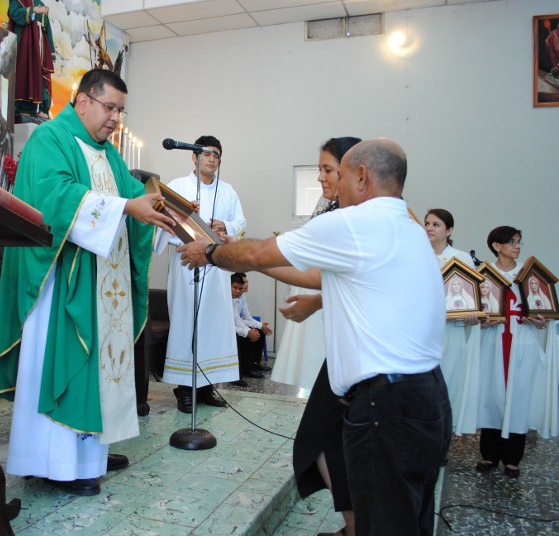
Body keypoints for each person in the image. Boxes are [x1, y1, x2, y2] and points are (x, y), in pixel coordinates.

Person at [178, 138, 452, 536]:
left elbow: (256, 255)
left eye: (335, 173)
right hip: (426, 396)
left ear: (361, 176)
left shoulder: (354, 222)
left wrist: (209, 253)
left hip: (387, 405)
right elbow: (321, 275)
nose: (329, 182)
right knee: (409, 520)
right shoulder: (409, 229)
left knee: (385, 523)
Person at [0, 69, 175, 496]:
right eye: (110, 108)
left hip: (100, 284)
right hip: (60, 284)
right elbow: (55, 196)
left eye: (120, 112)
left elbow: (135, 201)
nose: (115, 119)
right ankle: (54, 463)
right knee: (65, 365)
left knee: (100, 370)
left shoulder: (108, 154)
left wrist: (171, 216)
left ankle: (89, 454)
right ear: (84, 101)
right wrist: (126, 207)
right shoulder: (50, 139)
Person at [272, 136, 360, 536]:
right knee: (325, 437)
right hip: (346, 342)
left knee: (323, 436)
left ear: (354, 172)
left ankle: (356, 526)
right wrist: (319, 300)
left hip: (359, 349)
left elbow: (314, 272)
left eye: (328, 169)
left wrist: (232, 254)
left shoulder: (355, 219)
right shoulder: (338, 211)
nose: (321, 177)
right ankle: (354, 524)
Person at [156, 135, 245, 413]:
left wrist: (225, 226)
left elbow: (241, 223)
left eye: (216, 155)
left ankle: (207, 387)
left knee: (214, 325)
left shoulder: (228, 191)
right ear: (194, 156)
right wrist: (185, 221)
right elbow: (162, 221)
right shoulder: (177, 187)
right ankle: (184, 389)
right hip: (187, 264)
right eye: (206, 153)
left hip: (216, 267)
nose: (212, 159)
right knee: (187, 323)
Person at [475, 227, 553, 478]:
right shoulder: (482, 274)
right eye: (511, 242)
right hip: (493, 341)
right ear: (496, 246)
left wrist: (540, 321)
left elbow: (543, 310)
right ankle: (489, 455)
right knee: (492, 397)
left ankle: (513, 459)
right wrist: (480, 321)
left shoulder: (528, 274)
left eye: (519, 242)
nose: (517, 246)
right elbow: (474, 308)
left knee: (519, 397)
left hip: (522, 341)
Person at [426, 208, 481, 436]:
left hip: (454, 329)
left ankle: (446, 433)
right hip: (425, 328)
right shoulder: (418, 254)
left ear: (449, 231)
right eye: (427, 223)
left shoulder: (462, 258)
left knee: (450, 380)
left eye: (436, 224)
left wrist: (472, 313)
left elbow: (472, 296)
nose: (429, 228)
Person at [9, 0, 55, 119]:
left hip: (40, 47)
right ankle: (22, 108)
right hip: (25, 44)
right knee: (25, 74)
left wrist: (51, 52)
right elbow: (13, 13)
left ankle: (39, 108)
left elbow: (47, 30)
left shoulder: (40, 3)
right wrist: (33, 10)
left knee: (40, 77)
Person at [230, 273, 268, 387]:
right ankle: (235, 373)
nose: (245, 285)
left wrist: (252, 330)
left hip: (234, 326)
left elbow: (240, 318)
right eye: (235, 287)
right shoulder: (226, 299)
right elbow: (227, 324)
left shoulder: (237, 299)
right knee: (241, 336)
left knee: (257, 332)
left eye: (246, 283)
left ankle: (252, 365)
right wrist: (247, 332)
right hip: (222, 330)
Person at [237, 272, 272, 372]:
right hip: (234, 326)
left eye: (247, 282)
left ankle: (255, 363)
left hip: (239, 324)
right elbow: (236, 320)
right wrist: (251, 329)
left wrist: (259, 326)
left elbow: (246, 316)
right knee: (249, 335)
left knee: (260, 331)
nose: (246, 284)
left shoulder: (242, 297)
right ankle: (247, 367)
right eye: (244, 282)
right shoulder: (231, 297)